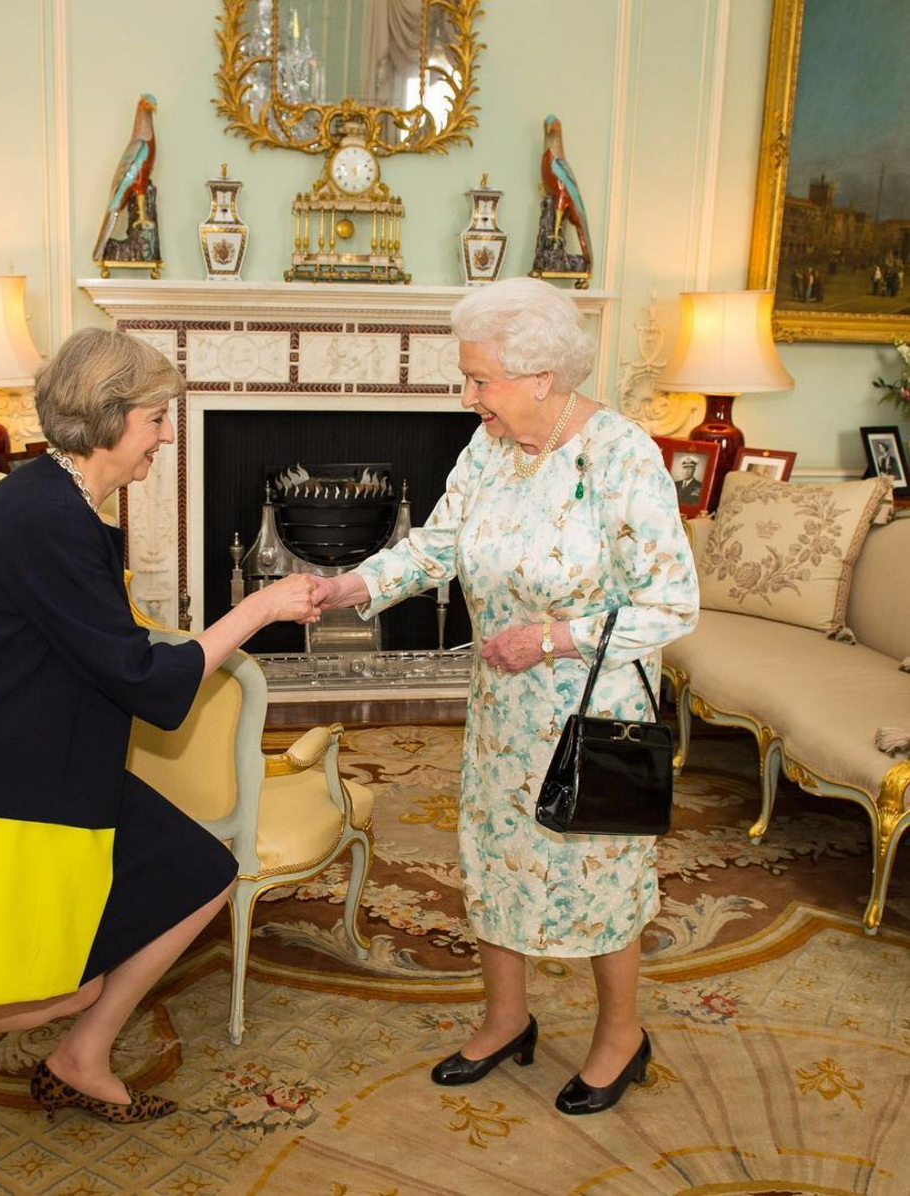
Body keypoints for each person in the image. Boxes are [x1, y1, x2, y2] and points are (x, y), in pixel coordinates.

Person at [0, 328, 322, 1137]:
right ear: (111, 419)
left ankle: (81, 1058)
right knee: (50, 988)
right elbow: (144, 683)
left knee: (201, 871)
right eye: (156, 418)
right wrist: (256, 609)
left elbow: (103, 642)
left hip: (59, 755)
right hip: (7, 782)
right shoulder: (45, 515)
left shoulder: (61, 497)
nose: (167, 434)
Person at [309, 277, 698, 1115]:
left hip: (595, 710)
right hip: (504, 708)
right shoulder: (488, 449)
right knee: (495, 856)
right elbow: (437, 545)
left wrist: (550, 638)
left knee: (598, 867)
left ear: (540, 379)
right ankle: (505, 1018)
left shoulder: (623, 457)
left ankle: (621, 1036)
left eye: (480, 379)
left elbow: (670, 602)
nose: (468, 396)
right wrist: (347, 587)